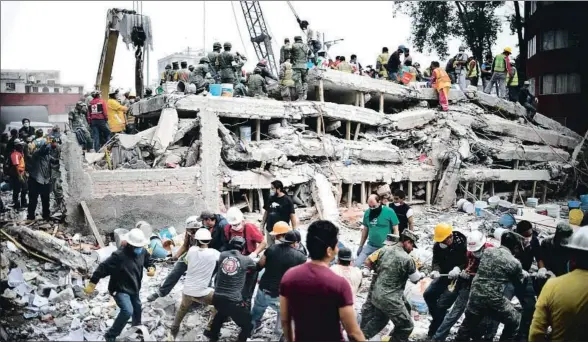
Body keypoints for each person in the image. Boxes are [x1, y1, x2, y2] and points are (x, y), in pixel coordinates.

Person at [280, 220, 365, 342]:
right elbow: (353, 332)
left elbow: (285, 320)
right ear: (329, 251)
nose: (337, 249)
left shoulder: (289, 276)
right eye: (336, 246)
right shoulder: (339, 284)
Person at [455, 231, 527, 341]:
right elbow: (518, 282)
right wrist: (522, 273)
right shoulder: (514, 262)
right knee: (516, 320)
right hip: (494, 300)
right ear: (515, 247)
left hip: (475, 295)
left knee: (467, 325)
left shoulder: (488, 251)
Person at [85, 229, 154, 342]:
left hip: (134, 286)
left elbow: (148, 260)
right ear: (130, 245)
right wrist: (93, 283)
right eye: (137, 246)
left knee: (137, 306)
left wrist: (151, 267)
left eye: (141, 246)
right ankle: (111, 335)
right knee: (127, 311)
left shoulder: (142, 252)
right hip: (119, 288)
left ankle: (136, 326)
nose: (139, 249)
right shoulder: (119, 256)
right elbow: (103, 268)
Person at [432, 230, 495, 341]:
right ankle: (437, 338)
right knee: (454, 313)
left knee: (482, 318)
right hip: (468, 284)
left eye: (477, 250)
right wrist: (463, 270)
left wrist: (473, 275)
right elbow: (466, 263)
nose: (475, 253)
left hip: (484, 289)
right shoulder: (469, 251)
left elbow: (493, 274)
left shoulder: (492, 253)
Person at [360, 230, 423, 341]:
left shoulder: (384, 249)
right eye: (412, 245)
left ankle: (357, 338)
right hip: (390, 298)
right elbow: (415, 279)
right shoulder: (408, 259)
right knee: (406, 326)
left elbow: (369, 261)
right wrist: (421, 274)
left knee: (380, 320)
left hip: (376, 294)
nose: (412, 248)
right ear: (407, 242)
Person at [529, 227, 588, 341]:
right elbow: (540, 257)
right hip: (551, 272)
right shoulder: (547, 242)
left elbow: (536, 333)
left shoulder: (552, 286)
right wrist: (543, 269)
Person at [251, 223, 306, 335]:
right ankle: (279, 331)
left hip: (263, 289)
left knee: (258, 309)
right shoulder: (301, 257)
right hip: (280, 294)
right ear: (296, 243)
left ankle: (251, 328)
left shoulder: (272, 248)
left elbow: (260, 264)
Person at [169, 228, 220, 339]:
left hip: (187, 290)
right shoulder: (214, 254)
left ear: (196, 240)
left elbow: (187, 261)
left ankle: (173, 332)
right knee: (220, 302)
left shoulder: (191, 250)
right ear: (209, 241)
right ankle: (210, 327)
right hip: (202, 293)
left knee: (182, 309)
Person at [206, 236, 257, 342]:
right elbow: (255, 268)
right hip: (233, 301)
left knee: (221, 313)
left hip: (217, 298)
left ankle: (213, 336)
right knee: (248, 325)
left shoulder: (222, 255)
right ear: (243, 248)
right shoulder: (246, 260)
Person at [425, 222, 467, 338]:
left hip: (457, 278)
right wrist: (435, 270)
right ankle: (439, 319)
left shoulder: (461, 243)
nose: (442, 243)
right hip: (443, 275)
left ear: (450, 236)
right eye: (441, 242)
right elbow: (436, 260)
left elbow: (468, 260)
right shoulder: (439, 245)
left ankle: (435, 330)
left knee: (442, 304)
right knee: (428, 295)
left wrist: (459, 268)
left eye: (444, 241)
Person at [147, 216, 202, 301]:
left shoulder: (205, 235)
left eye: (194, 230)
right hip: (189, 255)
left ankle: (200, 298)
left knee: (199, 278)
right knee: (175, 272)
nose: (192, 232)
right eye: (190, 230)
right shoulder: (188, 234)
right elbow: (185, 246)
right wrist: (175, 257)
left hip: (201, 258)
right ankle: (161, 292)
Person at [355, 194, 400, 267]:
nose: (372, 208)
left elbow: (396, 230)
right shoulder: (367, 213)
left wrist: (393, 247)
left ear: (379, 202)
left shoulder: (389, 211)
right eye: (370, 206)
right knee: (357, 264)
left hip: (385, 247)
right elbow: (365, 231)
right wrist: (361, 246)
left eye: (374, 206)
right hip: (371, 245)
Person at [26, 133, 54, 222]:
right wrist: (45, 144)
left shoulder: (48, 156)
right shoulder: (36, 154)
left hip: (45, 181)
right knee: (33, 200)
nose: (48, 149)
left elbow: (55, 161)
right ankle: (31, 217)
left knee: (46, 200)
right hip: (35, 180)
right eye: (46, 147)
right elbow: (41, 150)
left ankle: (46, 215)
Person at [261, 180, 297, 247]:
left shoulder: (287, 200)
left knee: (280, 250)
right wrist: (262, 225)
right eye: (270, 188)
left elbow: (292, 216)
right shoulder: (270, 198)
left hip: (281, 231)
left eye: (272, 188)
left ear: (279, 189)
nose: (271, 190)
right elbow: (266, 212)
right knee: (270, 250)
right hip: (269, 229)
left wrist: (294, 230)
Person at [48, 126, 64, 215]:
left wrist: (53, 160)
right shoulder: (50, 148)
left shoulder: (59, 148)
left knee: (57, 187)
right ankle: (58, 204)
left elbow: (60, 160)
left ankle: (61, 204)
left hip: (58, 170)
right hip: (52, 170)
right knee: (54, 188)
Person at [9, 139, 27, 210]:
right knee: (17, 189)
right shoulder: (15, 154)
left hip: (21, 174)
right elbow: (16, 165)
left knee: (25, 188)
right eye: (21, 145)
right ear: (17, 146)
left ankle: (23, 202)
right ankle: (16, 204)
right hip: (17, 175)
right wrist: (19, 176)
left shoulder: (19, 153)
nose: (22, 146)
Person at [291, 35, 310, 101]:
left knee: (298, 81)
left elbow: (289, 55)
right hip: (305, 66)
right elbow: (311, 56)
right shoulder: (306, 46)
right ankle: (305, 94)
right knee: (305, 80)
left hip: (296, 66)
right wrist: (309, 66)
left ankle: (300, 96)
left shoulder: (293, 46)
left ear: (295, 40)